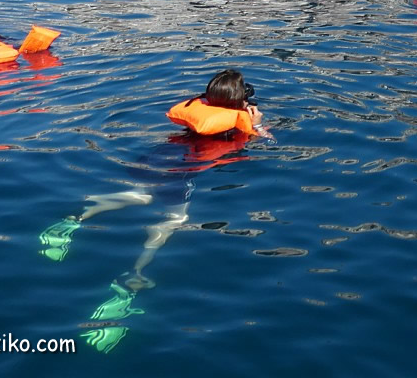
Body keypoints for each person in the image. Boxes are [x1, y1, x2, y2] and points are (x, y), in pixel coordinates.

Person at [38, 68, 265, 352]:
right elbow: (261, 143)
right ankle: (132, 278)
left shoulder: (198, 112)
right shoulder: (237, 124)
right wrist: (256, 125)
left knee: (142, 195)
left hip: (158, 156)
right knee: (175, 218)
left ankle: (77, 217)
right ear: (238, 102)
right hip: (182, 171)